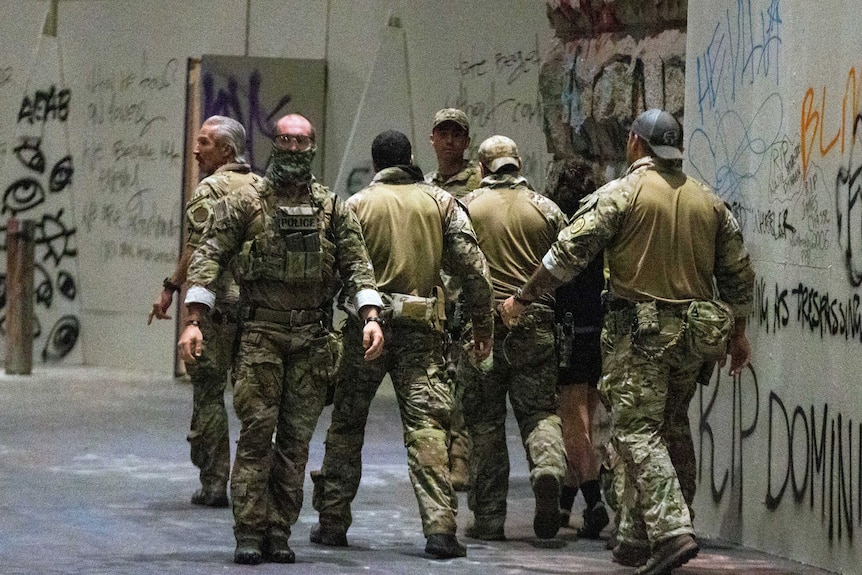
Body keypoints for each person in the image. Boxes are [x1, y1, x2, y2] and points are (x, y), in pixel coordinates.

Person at [498, 109, 755, 575]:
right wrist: (738, 334)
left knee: (637, 432)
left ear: (636, 143)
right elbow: (737, 273)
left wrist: (524, 296)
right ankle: (638, 538)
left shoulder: (622, 194)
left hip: (642, 337)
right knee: (672, 426)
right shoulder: (709, 202)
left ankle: (672, 530)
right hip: (696, 339)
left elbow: (567, 254)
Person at [177, 113, 385, 565]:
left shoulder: (332, 208)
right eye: (285, 141)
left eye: (301, 142)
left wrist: (371, 315)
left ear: (312, 146)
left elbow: (357, 264)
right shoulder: (247, 202)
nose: (292, 149)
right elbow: (209, 256)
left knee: (294, 444)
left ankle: (279, 529)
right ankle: (249, 531)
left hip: (312, 339)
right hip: (260, 339)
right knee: (256, 437)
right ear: (274, 143)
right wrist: (194, 318)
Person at [310, 129, 494, 559]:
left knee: (347, 424)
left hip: (364, 330)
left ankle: (332, 522)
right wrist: (483, 329)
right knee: (427, 426)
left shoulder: (354, 206)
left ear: (375, 164)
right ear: (411, 157)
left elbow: (330, 274)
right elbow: (474, 270)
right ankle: (441, 530)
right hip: (423, 333)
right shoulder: (442, 202)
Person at [458, 135, 568, 542]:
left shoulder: (466, 207)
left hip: (481, 329)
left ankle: (488, 519)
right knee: (540, 412)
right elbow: (568, 260)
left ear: (483, 168)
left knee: (485, 424)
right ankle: (548, 471)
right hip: (535, 322)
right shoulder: (546, 209)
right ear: (518, 165)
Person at [148, 115, 261, 508]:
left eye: (205, 143)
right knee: (256, 399)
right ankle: (256, 484)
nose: (196, 150)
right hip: (259, 308)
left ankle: (215, 483)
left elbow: (198, 251)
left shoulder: (210, 190)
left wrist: (174, 291)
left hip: (216, 306)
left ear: (227, 150)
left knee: (210, 394)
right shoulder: (263, 187)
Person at [546, 159, 611, 538]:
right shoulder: (603, 220)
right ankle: (564, 506)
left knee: (573, 422)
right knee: (587, 416)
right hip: (599, 327)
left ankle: (594, 501)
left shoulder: (558, 224)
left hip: (568, 329)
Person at [425, 107, 481, 491]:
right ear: (432, 140)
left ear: (466, 141)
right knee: (437, 385)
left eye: (456, 134)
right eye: (442, 134)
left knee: (465, 387)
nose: (449, 141)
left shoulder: (480, 183)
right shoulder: (425, 185)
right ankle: (443, 457)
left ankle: (461, 461)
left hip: (466, 296)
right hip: (434, 298)